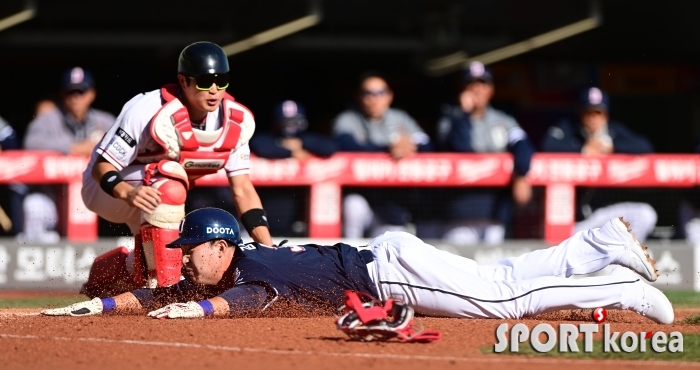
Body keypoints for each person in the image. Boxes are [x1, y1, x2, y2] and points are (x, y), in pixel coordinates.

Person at [43, 207, 673, 326]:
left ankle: (618, 283)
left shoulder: (253, 268)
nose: (184, 258)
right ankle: (599, 244)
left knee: (501, 300)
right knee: (501, 279)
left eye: (191, 248)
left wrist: (198, 310)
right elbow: (161, 295)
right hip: (385, 260)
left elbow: (250, 301)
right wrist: (90, 307)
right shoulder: (229, 264)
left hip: (385, 272)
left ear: (220, 244)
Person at [79, 41, 273, 297]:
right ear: (183, 81)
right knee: (170, 182)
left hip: (157, 192)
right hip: (109, 188)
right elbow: (102, 167)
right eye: (204, 81)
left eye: (221, 80)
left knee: (182, 246)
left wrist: (270, 252)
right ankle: (167, 290)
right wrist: (128, 193)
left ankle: (102, 279)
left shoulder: (234, 121)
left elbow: (243, 190)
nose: (214, 89)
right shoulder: (146, 109)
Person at [435, 61, 535, 245]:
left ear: (491, 89)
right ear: (462, 88)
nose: (477, 89)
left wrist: (521, 174)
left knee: (493, 270)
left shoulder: (502, 121)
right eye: (471, 83)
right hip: (459, 213)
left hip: (494, 212)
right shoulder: (450, 119)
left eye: (483, 83)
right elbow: (460, 148)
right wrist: (464, 115)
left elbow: (523, 145)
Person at [541, 87, 658, 241]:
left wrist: (613, 148)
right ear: (580, 113)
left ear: (606, 115)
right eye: (589, 112)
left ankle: (621, 258)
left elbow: (645, 147)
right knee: (559, 241)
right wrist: (582, 150)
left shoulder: (613, 131)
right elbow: (547, 146)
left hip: (604, 215)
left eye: (598, 112)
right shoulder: (569, 128)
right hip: (576, 222)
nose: (594, 118)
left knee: (646, 214)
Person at [19, 68, 116, 242]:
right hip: (53, 198)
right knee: (33, 206)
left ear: (91, 94)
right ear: (62, 94)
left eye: (81, 91)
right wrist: (73, 147)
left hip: (94, 196)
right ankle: (35, 265)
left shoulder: (105, 121)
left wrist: (97, 148)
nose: (75, 97)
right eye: (71, 91)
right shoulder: (48, 119)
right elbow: (30, 144)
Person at [333, 72, 432, 238]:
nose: (374, 99)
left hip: (391, 201)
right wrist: (388, 148)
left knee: (392, 248)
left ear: (389, 96)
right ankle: (348, 259)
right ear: (359, 96)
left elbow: (427, 144)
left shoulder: (400, 118)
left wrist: (410, 146)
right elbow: (346, 145)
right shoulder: (348, 119)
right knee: (353, 206)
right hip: (362, 194)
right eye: (368, 93)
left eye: (380, 93)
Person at [247, 100, 337, 236]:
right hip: (271, 200)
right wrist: (291, 152)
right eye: (285, 121)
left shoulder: (307, 139)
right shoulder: (267, 138)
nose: (290, 126)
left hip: (298, 205)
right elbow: (259, 145)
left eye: (295, 121)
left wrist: (302, 143)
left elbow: (330, 147)